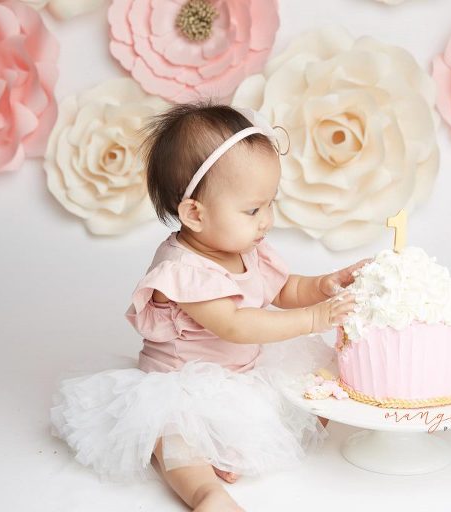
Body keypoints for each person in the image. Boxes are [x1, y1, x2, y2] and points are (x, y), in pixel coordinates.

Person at [50, 102, 371, 511]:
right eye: (253, 209)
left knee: (314, 391)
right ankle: (206, 492)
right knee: (173, 440)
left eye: (270, 203)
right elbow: (234, 325)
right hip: (181, 386)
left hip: (241, 375)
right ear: (194, 214)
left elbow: (282, 290)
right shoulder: (183, 270)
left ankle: (228, 448)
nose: (267, 220)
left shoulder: (243, 245)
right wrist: (313, 319)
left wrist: (323, 285)